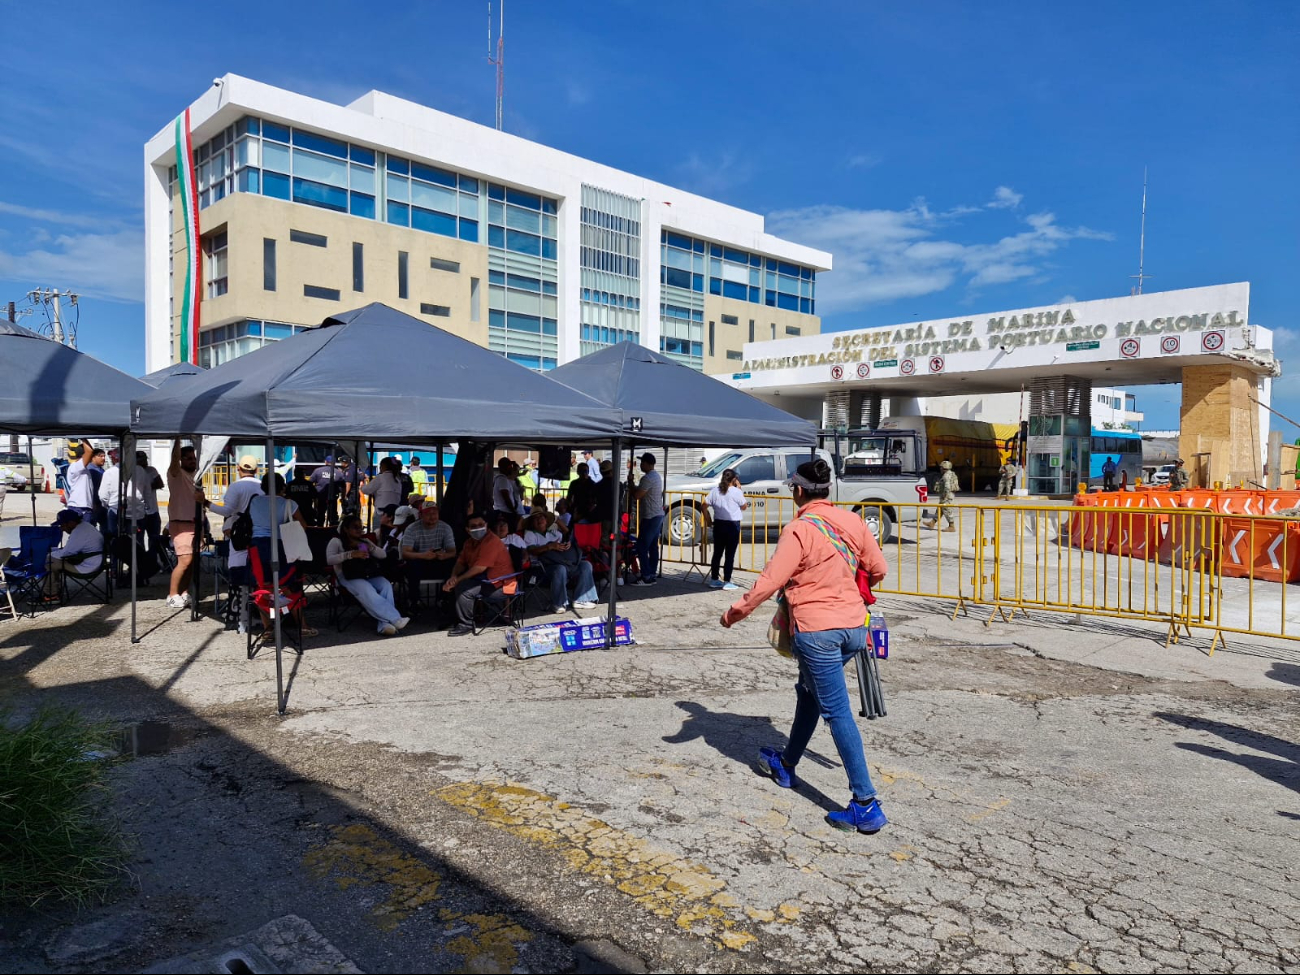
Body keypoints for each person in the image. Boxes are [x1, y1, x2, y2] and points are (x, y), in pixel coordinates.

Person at [720, 458, 890, 835]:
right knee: (808, 694)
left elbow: (770, 581)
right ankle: (787, 763)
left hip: (817, 633)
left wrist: (736, 612)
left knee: (837, 713)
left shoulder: (798, 529)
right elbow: (878, 569)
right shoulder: (853, 521)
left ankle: (865, 803)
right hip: (853, 628)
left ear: (798, 491)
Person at [248, 471, 316, 637]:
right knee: (287, 585)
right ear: (283, 486)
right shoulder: (288, 503)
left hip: (257, 546)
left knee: (263, 586)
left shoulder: (255, 501)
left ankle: (268, 628)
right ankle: (303, 626)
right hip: (279, 545)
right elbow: (303, 525)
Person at [327, 515, 409, 635]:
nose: (359, 530)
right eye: (355, 527)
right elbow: (329, 560)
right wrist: (350, 555)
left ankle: (384, 625)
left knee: (385, 585)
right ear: (345, 529)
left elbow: (383, 555)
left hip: (367, 573)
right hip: (348, 576)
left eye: (361, 527)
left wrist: (371, 548)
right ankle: (395, 618)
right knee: (367, 588)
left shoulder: (364, 541)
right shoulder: (337, 541)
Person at [443, 512, 515, 637]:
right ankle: (454, 619)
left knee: (465, 589)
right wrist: (453, 577)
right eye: (474, 526)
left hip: (500, 585)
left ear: (486, 525)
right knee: (450, 584)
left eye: (481, 524)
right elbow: (460, 562)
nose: (478, 528)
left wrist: (457, 580)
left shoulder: (492, 541)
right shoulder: (469, 543)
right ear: (467, 529)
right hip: (484, 581)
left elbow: (479, 568)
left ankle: (466, 624)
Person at [522, 509, 599, 613]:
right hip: (540, 568)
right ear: (531, 522)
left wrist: (567, 545)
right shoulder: (530, 534)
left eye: (542, 517)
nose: (539, 519)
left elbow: (567, 532)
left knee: (586, 565)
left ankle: (581, 599)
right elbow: (532, 551)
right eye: (536, 518)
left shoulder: (554, 533)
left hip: (563, 562)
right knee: (560, 569)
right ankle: (559, 603)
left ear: (546, 520)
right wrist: (549, 547)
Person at [205, 455, 264, 590]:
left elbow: (226, 511)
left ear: (238, 468)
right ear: (256, 470)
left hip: (238, 531)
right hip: (259, 530)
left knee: (238, 565)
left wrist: (206, 503)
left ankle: (239, 600)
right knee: (257, 566)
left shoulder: (236, 487)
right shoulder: (262, 486)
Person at [166, 439, 205, 609]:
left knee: (192, 562)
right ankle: (172, 594)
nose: (192, 461)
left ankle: (184, 592)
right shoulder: (176, 473)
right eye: (188, 458)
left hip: (196, 523)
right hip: (181, 524)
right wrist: (177, 440)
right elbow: (174, 460)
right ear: (181, 459)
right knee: (185, 560)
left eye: (193, 458)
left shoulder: (197, 475)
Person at [401, 502, 458, 605]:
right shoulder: (412, 528)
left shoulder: (445, 528)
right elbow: (405, 552)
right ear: (421, 515)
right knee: (411, 565)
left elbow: (453, 552)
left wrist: (444, 555)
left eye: (434, 513)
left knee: (453, 563)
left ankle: (444, 599)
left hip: (438, 562)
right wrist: (422, 555)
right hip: (420, 563)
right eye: (428, 514)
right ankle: (414, 601)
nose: (432, 517)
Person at [42, 508, 104, 600]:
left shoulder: (79, 532)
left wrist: (48, 554)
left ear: (71, 523)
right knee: (52, 559)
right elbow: (70, 550)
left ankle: (51, 594)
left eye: (63, 525)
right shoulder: (85, 526)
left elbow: (67, 552)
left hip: (88, 567)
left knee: (49, 561)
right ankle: (53, 590)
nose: (62, 529)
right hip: (92, 560)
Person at [705, 467, 748, 590]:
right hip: (732, 525)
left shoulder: (715, 491)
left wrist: (708, 520)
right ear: (734, 479)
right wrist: (739, 489)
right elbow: (744, 506)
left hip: (718, 524)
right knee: (730, 554)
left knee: (717, 553)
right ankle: (727, 581)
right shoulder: (736, 491)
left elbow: (704, 505)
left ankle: (714, 579)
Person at [630, 453, 664, 585]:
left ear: (649, 464)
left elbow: (637, 495)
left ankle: (646, 575)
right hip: (657, 514)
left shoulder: (648, 478)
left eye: (643, 462)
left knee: (642, 546)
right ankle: (651, 573)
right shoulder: (656, 476)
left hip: (650, 516)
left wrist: (631, 484)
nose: (641, 465)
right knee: (653, 547)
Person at [362, 457, 404, 539]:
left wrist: (362, 485)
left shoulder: (380, 478)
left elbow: (366, 490)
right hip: (394, 512)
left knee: (377, 535)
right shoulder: (398, 480)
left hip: (381, 513)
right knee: (391, 536)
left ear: (383, 466)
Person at [136, 450, 166, 562]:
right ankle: (142, 562)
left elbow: (160, 483)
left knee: (154, 538)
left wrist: (146, 486)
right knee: (139, 539)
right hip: (139, 512)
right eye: (141, 460)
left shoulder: (151, 470)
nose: (145, 462)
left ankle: (154, 560)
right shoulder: (133, 472)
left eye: (145, 459)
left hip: (152, 511)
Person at [64, 439, 98, 525]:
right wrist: (84, 437)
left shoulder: (82, 468)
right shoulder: (77, 466)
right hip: (79, 507)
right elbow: (90, 451)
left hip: (84, 507)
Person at [921, 460, 958, 533]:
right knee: (939, 510)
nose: (940, 469)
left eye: (941, 468)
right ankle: (932, 523)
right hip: (948, 495)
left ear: (944, 468)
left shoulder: (946, 476)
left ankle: (951, 526)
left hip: (946, 496)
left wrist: (945, 495)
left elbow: (947, 487)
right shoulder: (951, 474)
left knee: (947, 510)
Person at [310, 456, 341, 527]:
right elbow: (343, 485)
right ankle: (332, 530)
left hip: (320, 497)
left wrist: (313, 494)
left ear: (325, 462)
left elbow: (310, 483)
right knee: (332, 516)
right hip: (333, 497)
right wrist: (343, 496)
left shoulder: (317, 470)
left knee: (320, 515)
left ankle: (319, 531)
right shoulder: (338, 472)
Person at [492, 457, 521, 525]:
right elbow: (506, 497)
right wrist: (513, 511)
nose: (511, 469)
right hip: (505, 512)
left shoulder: (501, 479)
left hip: (504, 511)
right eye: (510, 467)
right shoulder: (502, 480)